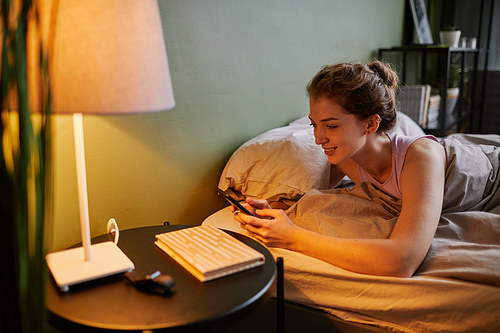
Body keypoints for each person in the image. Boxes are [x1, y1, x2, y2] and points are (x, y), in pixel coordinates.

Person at [232, 60, 447, 278]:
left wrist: (292, 237)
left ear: (371, 125)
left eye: (331, 126)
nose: (318, 139)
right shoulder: (345, 158)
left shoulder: (420, 156)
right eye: (314, 125)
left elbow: (402, 262)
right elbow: (310, 198)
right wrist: (269, 210)